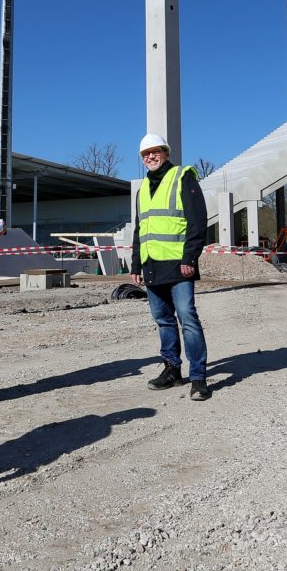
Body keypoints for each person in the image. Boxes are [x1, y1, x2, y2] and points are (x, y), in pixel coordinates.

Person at [129, 133, 212, 401]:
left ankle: (198, 377)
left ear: (165, 152)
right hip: (152, 265)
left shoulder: (182, 177)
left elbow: (197, 220)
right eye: (145, 154)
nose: (150, 157)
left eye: (155, 152)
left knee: (187, 319)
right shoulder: (143, 189)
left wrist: (190, 258)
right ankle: (172, 369)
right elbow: (140, 229)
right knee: (163, 321)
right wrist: (136, 263)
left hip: (179, 266)